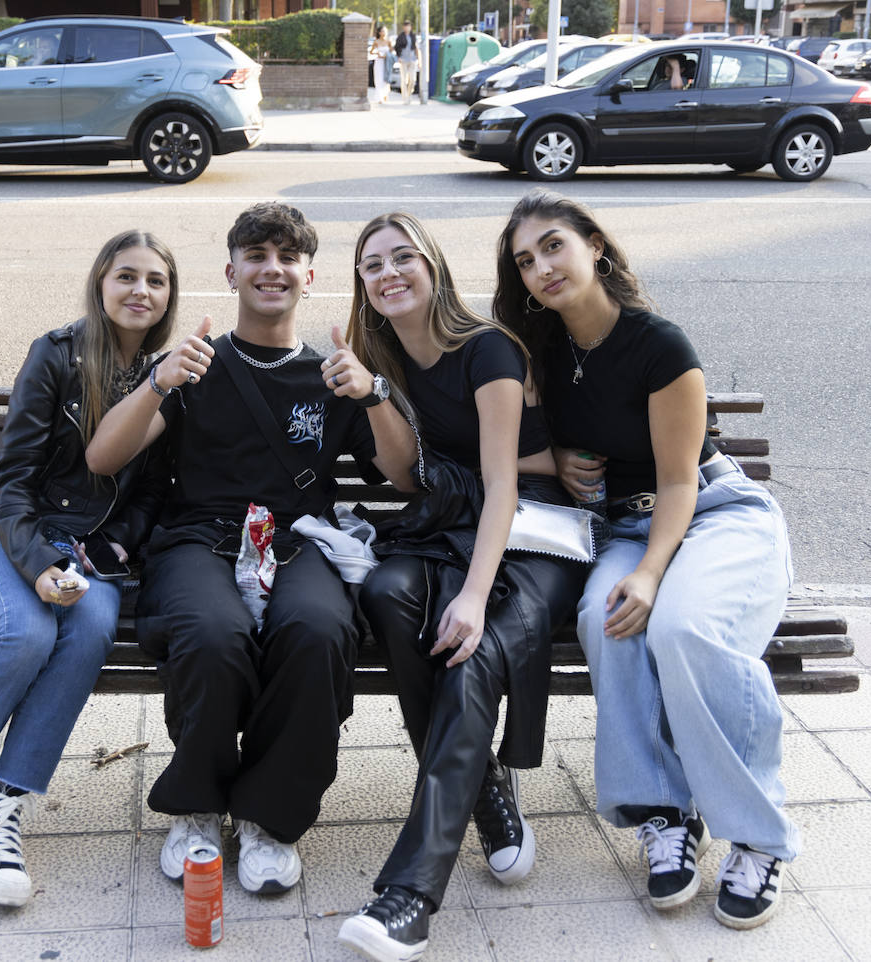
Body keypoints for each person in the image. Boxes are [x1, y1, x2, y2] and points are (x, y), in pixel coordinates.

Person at [84, 202, 418, 895]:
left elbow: (406, 475)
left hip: (299, 542)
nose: (272, 269)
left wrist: (373, 392)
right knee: (213, 635)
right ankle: (199, 805)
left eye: (287, 257)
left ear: (309, 275)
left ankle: (270, 816)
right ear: (231, 271)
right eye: (257, 256)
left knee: (320, 631)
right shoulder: (196, 366)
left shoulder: (330, 377)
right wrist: (158, 380)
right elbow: (103, 457)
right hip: (199, 541)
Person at [494, 189, 797, 931]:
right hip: (622, 532)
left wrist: (653, 575)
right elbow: (529, 443)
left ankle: (759, 835)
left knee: (681, 629)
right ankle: (666, 813)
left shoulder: (658, 344)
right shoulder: (541, 351)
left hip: (712, 518)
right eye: (525, 261)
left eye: (553, 247)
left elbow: (677, 480)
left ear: (594, 245)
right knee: (608, 619)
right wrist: (558, 455)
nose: (541, 269)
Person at [0, 230, 176, 907]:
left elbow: (152, 494)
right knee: (28, 632)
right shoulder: (55, 356)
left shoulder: (167, 378)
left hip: (91, 547)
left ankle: (3, 805)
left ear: (169, 296)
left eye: (157, 281)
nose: (141, 290)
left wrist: (111, 549)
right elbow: (10, 477)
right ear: (101, 283)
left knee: (90, 626)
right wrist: (41, 561)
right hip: (5, 528)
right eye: (126, 276)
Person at [336, 212, 586, 962]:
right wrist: (377, 392)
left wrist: (474, 597)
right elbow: (408, 478)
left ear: (434, 267)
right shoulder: (385, 355)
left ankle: (409, 895)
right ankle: (482, 787)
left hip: (534, 533)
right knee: (385, 592)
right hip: (450, 522)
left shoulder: (489, 350)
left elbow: (506, 484)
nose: (389, 273)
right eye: (373, 264)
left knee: (469, 647)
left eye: (403, 257)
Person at [394, 21, 419, 103]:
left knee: (412, 79)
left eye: (408, 26)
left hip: (412, 59)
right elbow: (396, 47)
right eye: (405, 26)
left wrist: (418, 58)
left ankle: (409, 94)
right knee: (404, 79)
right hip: (403, 59)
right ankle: (404, 98)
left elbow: (416, 47)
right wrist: (399, 57)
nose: (407, 28)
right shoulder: (400, 36)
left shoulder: (413, 36)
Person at [371, 25, 393, 104]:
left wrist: (387, 55)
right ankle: (379, 97)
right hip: (379, 62)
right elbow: (371, 51)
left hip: (386, 62)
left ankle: (385, 94)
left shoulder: (388, 41)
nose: (384, 33)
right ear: (380, 33)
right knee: (378, 79)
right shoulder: (376, 42)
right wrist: (377, 53)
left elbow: (391, 51)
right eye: (383, 31)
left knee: (385, 79)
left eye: (385, 31)